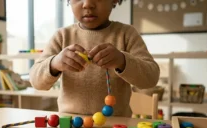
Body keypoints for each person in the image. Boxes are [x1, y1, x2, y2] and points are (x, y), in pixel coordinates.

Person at [29, 0, 160, 117]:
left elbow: (151, 78)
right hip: (70, 124)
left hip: (116, 126)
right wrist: (54, 64)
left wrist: (122, 60)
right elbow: (36, 81)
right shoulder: (62, 36)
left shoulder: (126, 34)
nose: (87, 4)